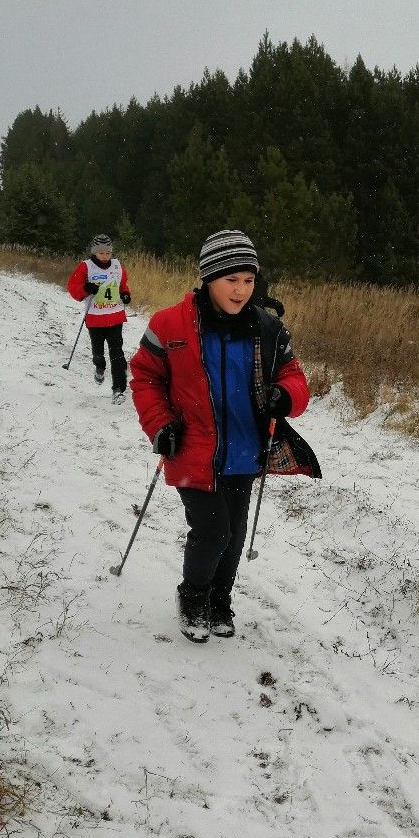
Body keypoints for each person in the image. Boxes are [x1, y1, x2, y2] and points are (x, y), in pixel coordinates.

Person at [129, 229, 320, 643]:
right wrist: (159, 426)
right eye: (231, 280)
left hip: (245, 452)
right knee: (213, 530)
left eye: (248, 280)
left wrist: (285, 395)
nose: (240, 290)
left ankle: (220, 600)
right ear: (209, 278)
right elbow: (145, 377)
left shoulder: (266, 329)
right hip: (192, 450)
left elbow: (294, 377)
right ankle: (194, 597)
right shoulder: (171, 324)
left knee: (233, 534)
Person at [66, 234, 131, 402]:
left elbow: (122, 286)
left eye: (108, 253)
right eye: (101, 253)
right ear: (94, 252)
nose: (105, 256)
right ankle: (99, 368)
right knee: (98, 353)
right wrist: (86, 288)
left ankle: (118, 390)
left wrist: (125, 295)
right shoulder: (85, 267)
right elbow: (73, 287)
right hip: (95, 318)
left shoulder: (117, 266)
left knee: (117, 353)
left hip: (115, 316)